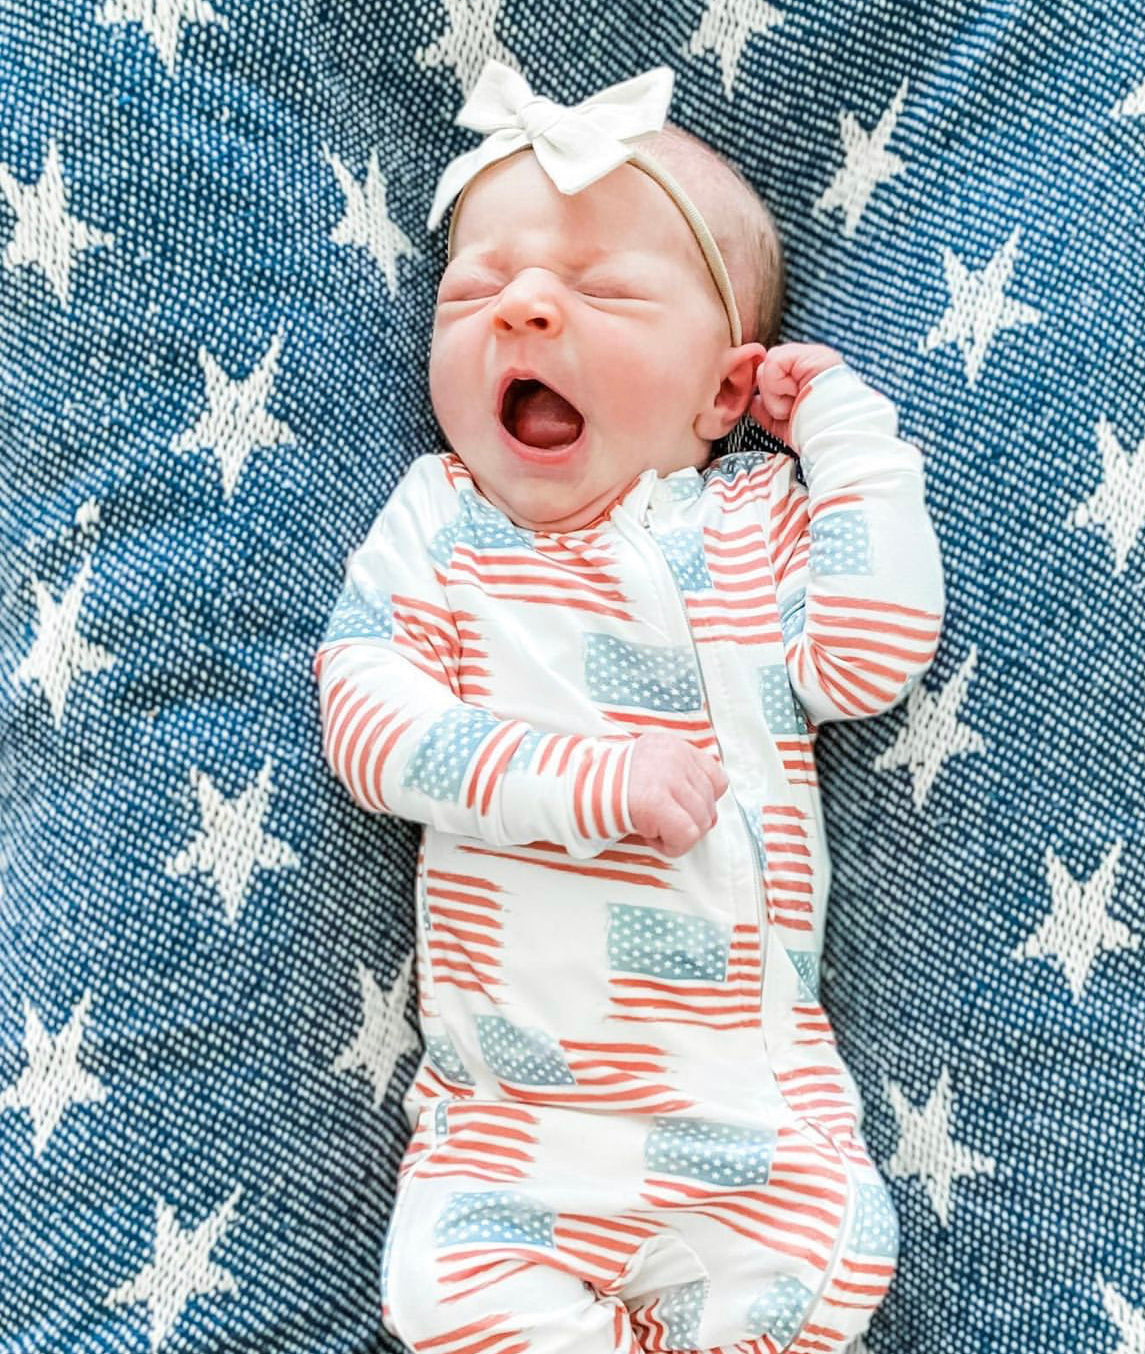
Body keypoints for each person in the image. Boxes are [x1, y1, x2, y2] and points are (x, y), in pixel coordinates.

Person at [312, 58, 945, 1354]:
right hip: (515, 1120)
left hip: (748, 1104)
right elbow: (368, 719)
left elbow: (869, 656)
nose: (523, 307)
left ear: (722, 394)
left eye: (600, 292)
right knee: (447, 1295)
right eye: (475, 290)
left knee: (835, 1260)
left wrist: (849, 444)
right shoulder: (444, 525)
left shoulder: (755, 523)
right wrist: (586, 781)